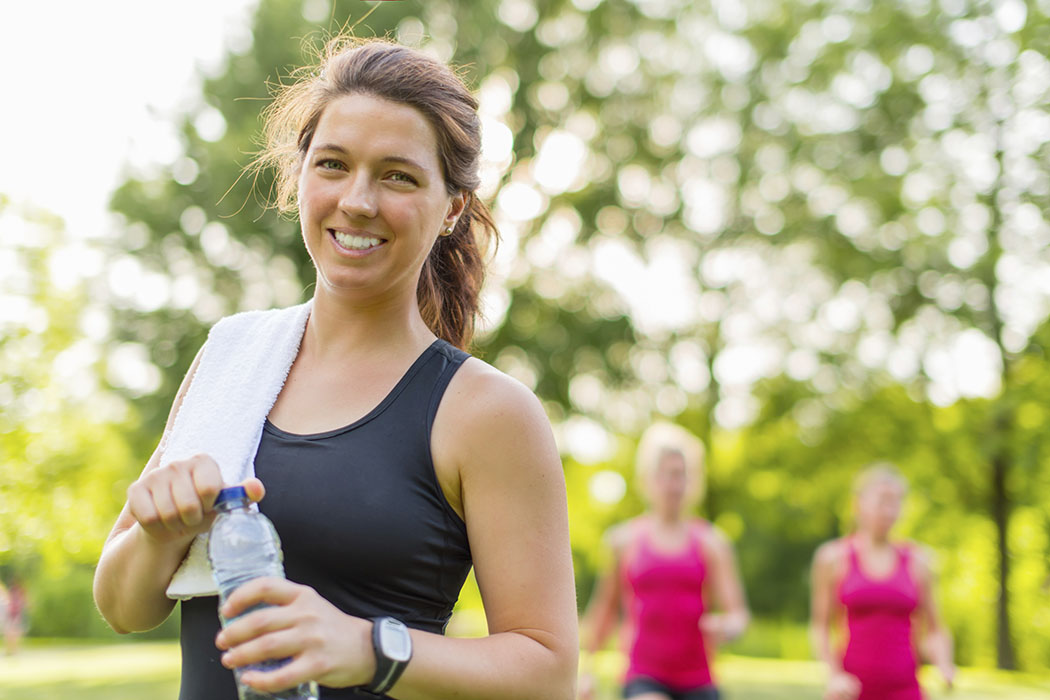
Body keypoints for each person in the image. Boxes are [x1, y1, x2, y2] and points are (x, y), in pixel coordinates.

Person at [93, 37, 578, 699]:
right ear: (299, 176)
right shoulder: (232, 358)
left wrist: (368, 647)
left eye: (397, 175)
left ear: (452, 208)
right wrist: (160, 535)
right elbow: (124, 609)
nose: (357, 200)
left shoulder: (486, 412)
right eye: (333, 164)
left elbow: (549, 672)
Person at [579, 421, 749, 700]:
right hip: (643, 676)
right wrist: (587, 670)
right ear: (648, 478)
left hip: (699, 679)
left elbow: (738, 614)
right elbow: (604, 611)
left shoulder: (712, 543)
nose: (674, 485)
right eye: (666, 475)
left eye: (681, 475)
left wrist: (728, 626)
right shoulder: (622, 541)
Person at [810, 464, 955, 700]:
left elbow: (936, 629)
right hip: (851, 690)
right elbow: (821, 627)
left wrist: (945, 664)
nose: (889, 510)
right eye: (882, 501)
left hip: (906, 690)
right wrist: (833, 675)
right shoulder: (833, 558)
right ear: (858, 505)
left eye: (896, 502)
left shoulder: (919, 561)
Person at [3, 576, 25, 655]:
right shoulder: (12, 591)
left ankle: (14, 649)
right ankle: (10, 649)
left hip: (16, 615)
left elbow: (23, 602)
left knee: (14, 632)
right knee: (9, 632)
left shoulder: (20, 592)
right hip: (11, 614)